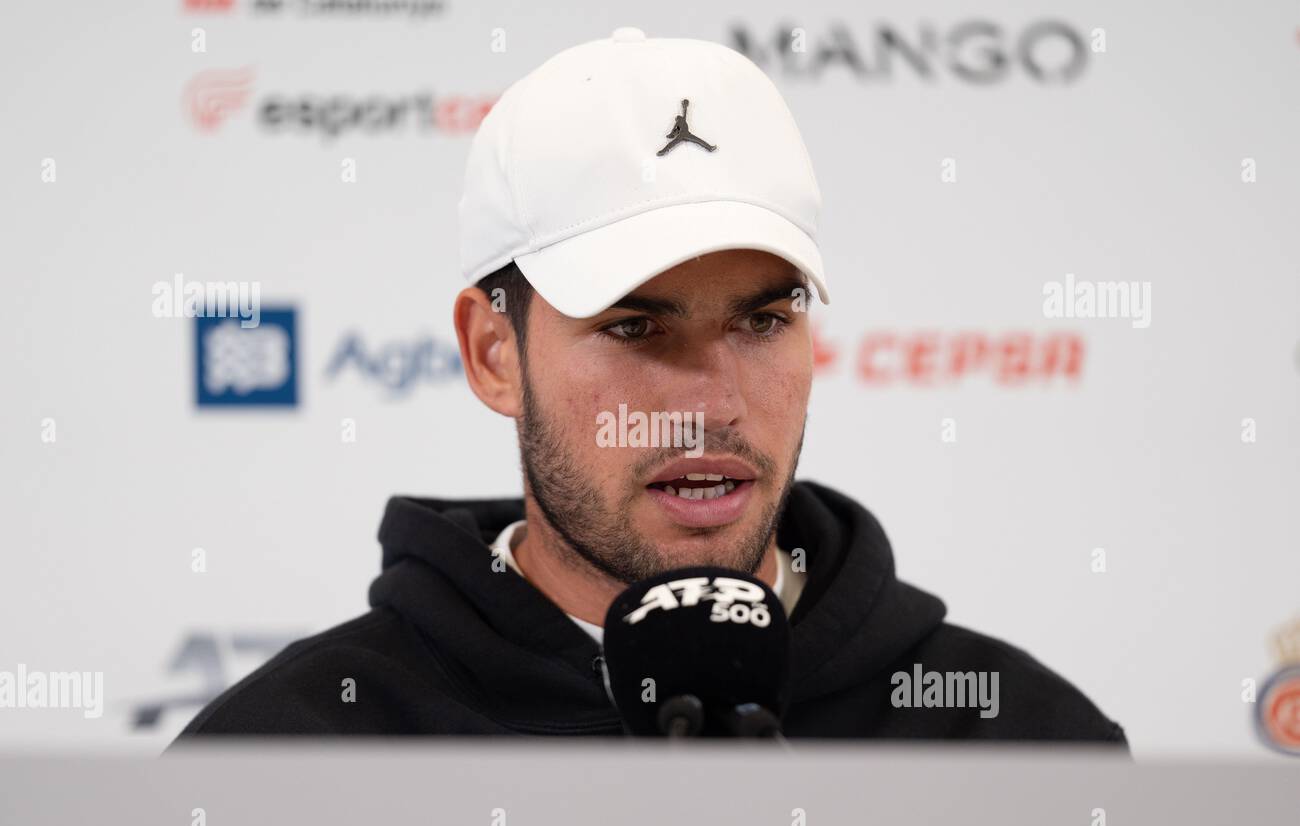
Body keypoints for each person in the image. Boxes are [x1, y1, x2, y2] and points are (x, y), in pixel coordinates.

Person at [175, 29, 1126, 746]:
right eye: (635, 328)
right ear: (493, 353)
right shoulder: (293, 756)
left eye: (762, 321)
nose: (713, 403)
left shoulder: (1017, 743)